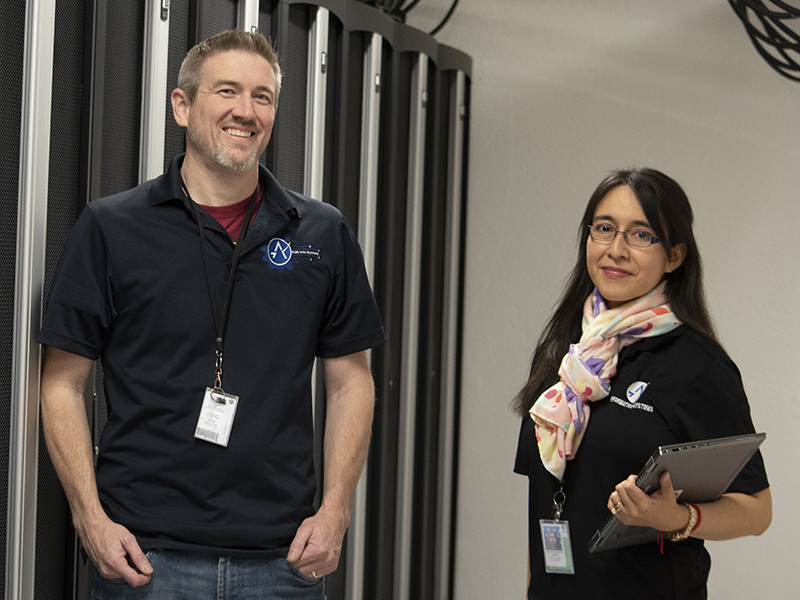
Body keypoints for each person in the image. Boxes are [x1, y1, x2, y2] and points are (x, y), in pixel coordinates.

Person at [39, 29, 384, 599]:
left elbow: (351, 380)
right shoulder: (110, 228)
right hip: (144, 563)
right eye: (227, 91)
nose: (245, 112)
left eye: (263, 96)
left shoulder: (322, 233)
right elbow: (62, 382)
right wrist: (89, 519)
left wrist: (336, 510)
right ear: (182, 105)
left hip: (282, 564)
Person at [513, 168, 770, 599]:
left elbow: (757, 511)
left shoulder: (697, 364)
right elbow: (541, 503)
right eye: (605, 229)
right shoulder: (567, 351)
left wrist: (677, 519)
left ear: (674, 256)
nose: (616, 250)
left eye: (640, 235)